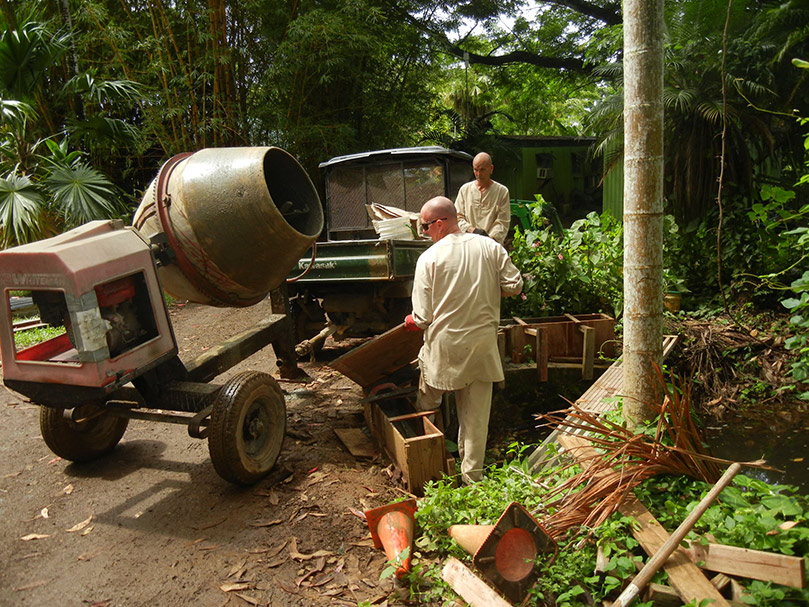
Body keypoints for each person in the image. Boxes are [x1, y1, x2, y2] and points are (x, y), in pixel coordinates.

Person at [404, 196, 523, 484]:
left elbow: (421, 317)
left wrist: (411, 320)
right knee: (476, 421)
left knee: (427, 402)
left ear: (440, 223)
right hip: (482, 348)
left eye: (425, 227)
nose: (425, 233)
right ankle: (472, 479)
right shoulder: (490, 247)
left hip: (445, 349)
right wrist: (489, 290)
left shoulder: (429, 258)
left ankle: (429, 462)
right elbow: (515, 285)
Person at [455, 152, 511, 245]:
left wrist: (489, 240)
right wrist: (472, 230)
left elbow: (502, 221)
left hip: (491, 244)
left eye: (482, 170)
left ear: (491, 169)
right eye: (476, 170)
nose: (478, 174)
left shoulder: (502, 191)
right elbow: (457, 217)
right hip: (467, 243)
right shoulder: (465, 190)